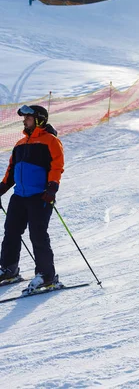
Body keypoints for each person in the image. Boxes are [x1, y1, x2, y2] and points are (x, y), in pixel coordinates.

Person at [0, 105, 64, 292]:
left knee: (38, 235)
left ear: (39, 119)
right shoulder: (20, 144)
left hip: (40, 196)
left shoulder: (50, 141)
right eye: (25, 118)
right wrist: (1, 188)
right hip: (19, 196)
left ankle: (46, 276)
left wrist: (52, 187)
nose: (24, 120)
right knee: (11, 232)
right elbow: (11, 172)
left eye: (28, 117)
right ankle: (8, 268)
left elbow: (57, 165)